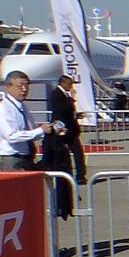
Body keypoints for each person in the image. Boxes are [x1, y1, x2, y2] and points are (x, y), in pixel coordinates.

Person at [0, 71, 56, 170]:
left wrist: (49, 129)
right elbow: (12, 136)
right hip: (13, 159)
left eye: (27, 86)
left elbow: (29, 133)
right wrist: (40, 130)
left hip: (28, 158)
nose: (24, 90)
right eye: (20, 86)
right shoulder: (3, 109)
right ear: (9, 87)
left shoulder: (23, 108)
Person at [45, 70, 88, 218]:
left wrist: (76, 114)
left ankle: (81, 174)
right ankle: (69, 177)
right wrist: (71, 101)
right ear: (63, 83)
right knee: (66, 154)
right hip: (63, 130)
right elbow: (60, 111)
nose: (71, 86)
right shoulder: (56, 94)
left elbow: (68, 112)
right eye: (69, 84)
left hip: (70, 129)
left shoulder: (65, 95)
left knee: (78, 152)